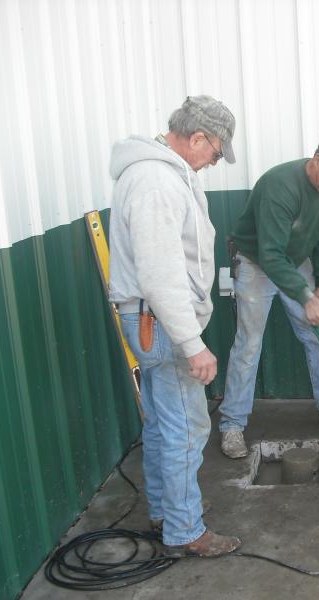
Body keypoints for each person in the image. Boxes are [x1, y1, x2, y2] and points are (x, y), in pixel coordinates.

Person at [108, 95, 241, 557]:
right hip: (161, 321)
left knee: (166, 423)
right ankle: (186, 531)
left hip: (151, 317)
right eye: (216, 151)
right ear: (198, 138)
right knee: (187, 426)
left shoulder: (159, 174)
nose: (213, 162)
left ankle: (167, 511)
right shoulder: (157, 183)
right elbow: (160, 272)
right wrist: (191, 342)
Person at [218, 132, 319, 458]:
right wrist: (305, 297)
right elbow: (270, 255)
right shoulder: (279, 187)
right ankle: (232, 425)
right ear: (316, 159)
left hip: (297, 262)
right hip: (257, 262)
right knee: (249, 343)